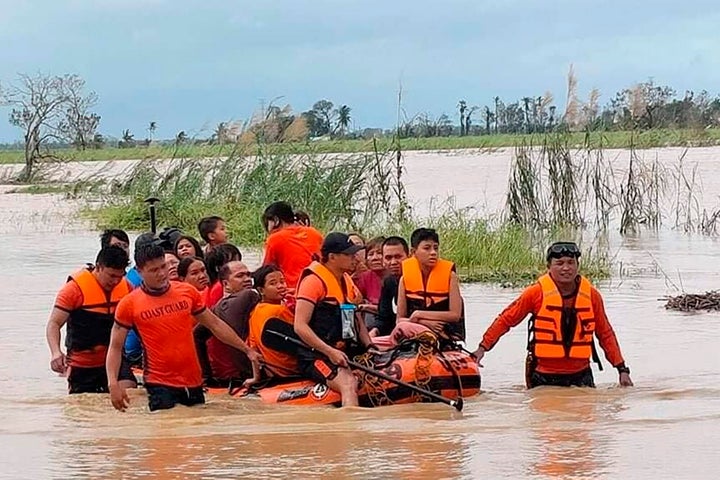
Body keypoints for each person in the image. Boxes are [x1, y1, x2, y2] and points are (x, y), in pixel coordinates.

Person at [106, 243, 263, 412]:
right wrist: (113, 383)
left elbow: (215, 325)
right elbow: (115, 347)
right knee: (168, 434)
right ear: (139, 271)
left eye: (163, 267)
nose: (161, 274)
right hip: (159, 383)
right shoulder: (129, 304)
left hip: (193, 380)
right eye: (153, 270)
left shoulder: (187, 292)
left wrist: (247, 350)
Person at [471, 241, 634, 389]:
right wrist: (482, 348)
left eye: (571, 263)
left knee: (585, 420)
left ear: (578, 266)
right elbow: (506, 320)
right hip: (543, 376)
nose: (566, 268)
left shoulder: (592, 296)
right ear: (549, 266)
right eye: (559, 263)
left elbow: (605, 334)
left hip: (581, 375)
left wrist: (621, 369)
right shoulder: (535, 293)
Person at [294, 232, 375, 407]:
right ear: (332, 257)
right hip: (316, 355)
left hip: (344, 348)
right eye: (349, 254)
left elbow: (356, 316)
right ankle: (351, 431)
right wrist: (330, 352)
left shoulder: (346, 280)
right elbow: (300, 326)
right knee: (348, 384)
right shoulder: (313, 282)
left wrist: (369, 345)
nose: (355, 258)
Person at [45, 246, 137, 394]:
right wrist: (55, 352)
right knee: (84, 407)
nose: (115, 281)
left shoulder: (127, 288)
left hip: (115, 360)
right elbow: (54, 324)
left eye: (119, 276)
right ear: (98, 267)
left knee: (130, 394)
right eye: (111, 276)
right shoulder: (73, 290)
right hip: (82, 364)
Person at [395, 228, 465, 343]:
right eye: (427, 248)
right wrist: (424, 322)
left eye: (435, 248)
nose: (433, 252)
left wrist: (419, 314)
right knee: (401, 327)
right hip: (415, 331)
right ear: (413, 252)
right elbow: (399, 319)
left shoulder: (450, 276)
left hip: (443, 331)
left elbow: (455, 315)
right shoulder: (404, 279)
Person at [196, 261, 256, 385]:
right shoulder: (249, 295)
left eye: (249, 275)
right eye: (240, 276)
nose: (247, 279)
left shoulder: (217, 307)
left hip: (239, 375)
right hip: (257, 372)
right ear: (225, 284)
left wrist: (206, 376)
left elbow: (195, 336)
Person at [247, 265, 299, 378]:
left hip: (272, 372)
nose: (280, 286)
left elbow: (253, 348)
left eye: (282, 281)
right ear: (261, 290)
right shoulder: (279, 310)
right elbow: (304, 331)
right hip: (292, 369)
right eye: (273, 283)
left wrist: (256, 378)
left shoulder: (255, 311)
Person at [261, 201, 324, 291]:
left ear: (276, 220)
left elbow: (266, 271)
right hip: (320, 286)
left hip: (293, 291)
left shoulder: (275, 239)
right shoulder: (314, 232)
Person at [370, 236, 409, 337]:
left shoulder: (419, 280)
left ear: (409, 256)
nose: (393, 262)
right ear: (383, 260)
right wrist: (374, 332)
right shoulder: (388, 283)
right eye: (388, 258)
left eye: (398, 257)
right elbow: (383, 317)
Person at [355, 236, 386, 327]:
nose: (374, 258)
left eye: (379, 253)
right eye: (371, 254)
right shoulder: (364, 277)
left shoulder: (397, 277)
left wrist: (368, 307)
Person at [203, 243, 242, 308]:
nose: (238, 265)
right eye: (232, 262)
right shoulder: (220, 287)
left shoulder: (214, 284)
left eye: (238, 261)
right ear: (218, 268)